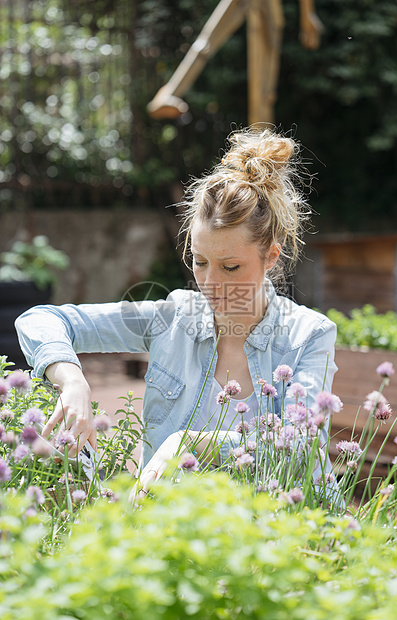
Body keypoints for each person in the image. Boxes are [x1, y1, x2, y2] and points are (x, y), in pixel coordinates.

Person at [15, 126, 337, 500]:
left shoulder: (308, 335)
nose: (210, 283)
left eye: (230, 267)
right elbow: (40, 319)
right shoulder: (173, 317)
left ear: (270, 256)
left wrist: (192, 443)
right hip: (173, 536)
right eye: (200, 262)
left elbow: (299, 450)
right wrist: (71, 379)